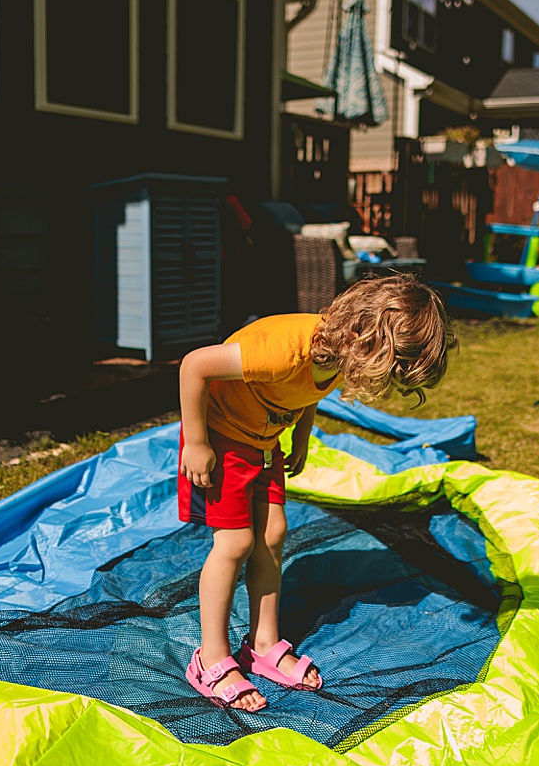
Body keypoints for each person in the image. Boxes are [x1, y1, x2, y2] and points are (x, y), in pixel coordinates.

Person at [177, 274, 453, 711]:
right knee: (236, 542)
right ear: (366, 339)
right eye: (391, 371)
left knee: (273, 534)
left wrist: (301, 436)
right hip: (221, 437)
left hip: (265, 441)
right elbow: (194, 365)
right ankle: (210, 656)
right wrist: (196, 443)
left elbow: (306, 391)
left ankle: (261, 643)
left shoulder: (336, 353)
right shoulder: (281, 350)